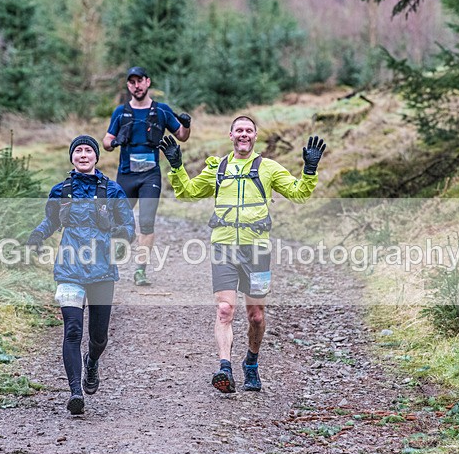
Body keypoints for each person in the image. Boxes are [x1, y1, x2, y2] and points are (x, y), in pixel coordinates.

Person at [159, 116, 326, 393]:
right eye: (239, 130)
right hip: (223, 246)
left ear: (256, 136)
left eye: (249, 130)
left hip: (257, 249)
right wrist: (176, 166)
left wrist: (309, 169)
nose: (244, 135)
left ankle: (251, 362)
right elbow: (187, 193)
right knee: (225, 309)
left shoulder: (269, 168)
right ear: (231, 135)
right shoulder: (218, 168)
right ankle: (224, 367)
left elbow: (299, 194)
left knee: (256, 316)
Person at [26, 135, 135, 415]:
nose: (83, 155)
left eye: (88, 150)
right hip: (69, 269)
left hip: (102, 271)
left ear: (96, 157)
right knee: (72, 330)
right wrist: (37, 236)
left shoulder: (112, 190)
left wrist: (119, 232)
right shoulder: (61, 190)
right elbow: (50, 220)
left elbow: (129, 227)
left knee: (99, 337)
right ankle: (75, 392)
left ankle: (93, 361)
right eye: (78, 151)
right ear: (72, 157)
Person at [103, 66, 192, 286]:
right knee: (117, 220)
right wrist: (115, 142)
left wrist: (187, 123)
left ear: (148, 82)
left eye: (140, 81)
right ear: (128, 85)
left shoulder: (161, 111)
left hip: (150, 176)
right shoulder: (120, 112)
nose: (136, 85)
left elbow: (182, 135)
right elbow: (106, 142)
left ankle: (140, 270)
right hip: (126, 175)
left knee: (146, 221)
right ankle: (110, 265)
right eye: (132, 82)